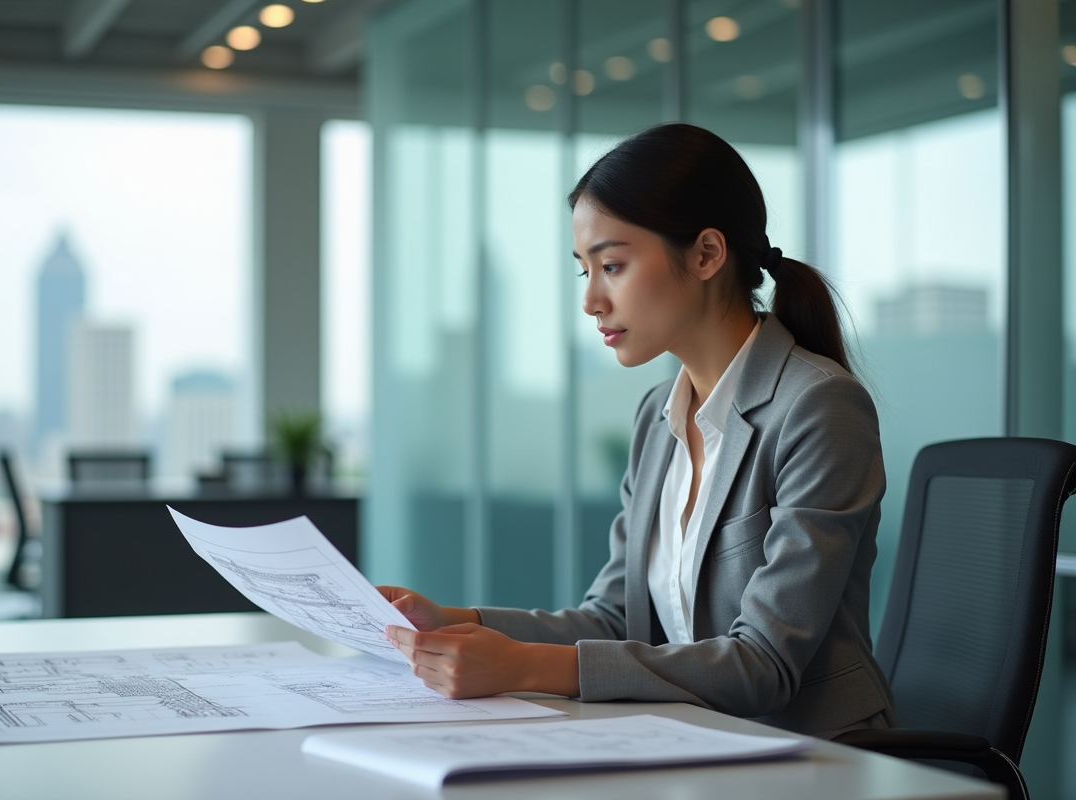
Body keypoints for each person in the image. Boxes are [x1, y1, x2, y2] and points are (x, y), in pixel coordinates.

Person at [380, 122, 896, 738]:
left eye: (614, 265)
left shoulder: (818, 406)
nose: (592, 300)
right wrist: (451, 620)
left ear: (707, 253)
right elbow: (613, 619)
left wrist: (523, 665)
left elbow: (764, 665)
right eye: (585, 271)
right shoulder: (659, 414)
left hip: (811, 752)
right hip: (691, 741)